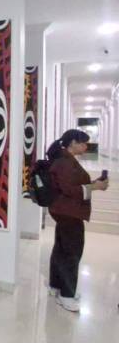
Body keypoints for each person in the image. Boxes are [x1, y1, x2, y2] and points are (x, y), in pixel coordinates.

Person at [46, 129, 109, 312]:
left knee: (61, 249)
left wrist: (93, 184)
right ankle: (67, 296)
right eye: (83, 143)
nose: (85, 146)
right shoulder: (65, 162)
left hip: (64, 211)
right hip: (69, 212)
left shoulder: (65, 159)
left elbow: (72, 186)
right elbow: (70, 189)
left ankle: (56, 287)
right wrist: (95, 187)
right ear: (73, 142)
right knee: (72, 253)